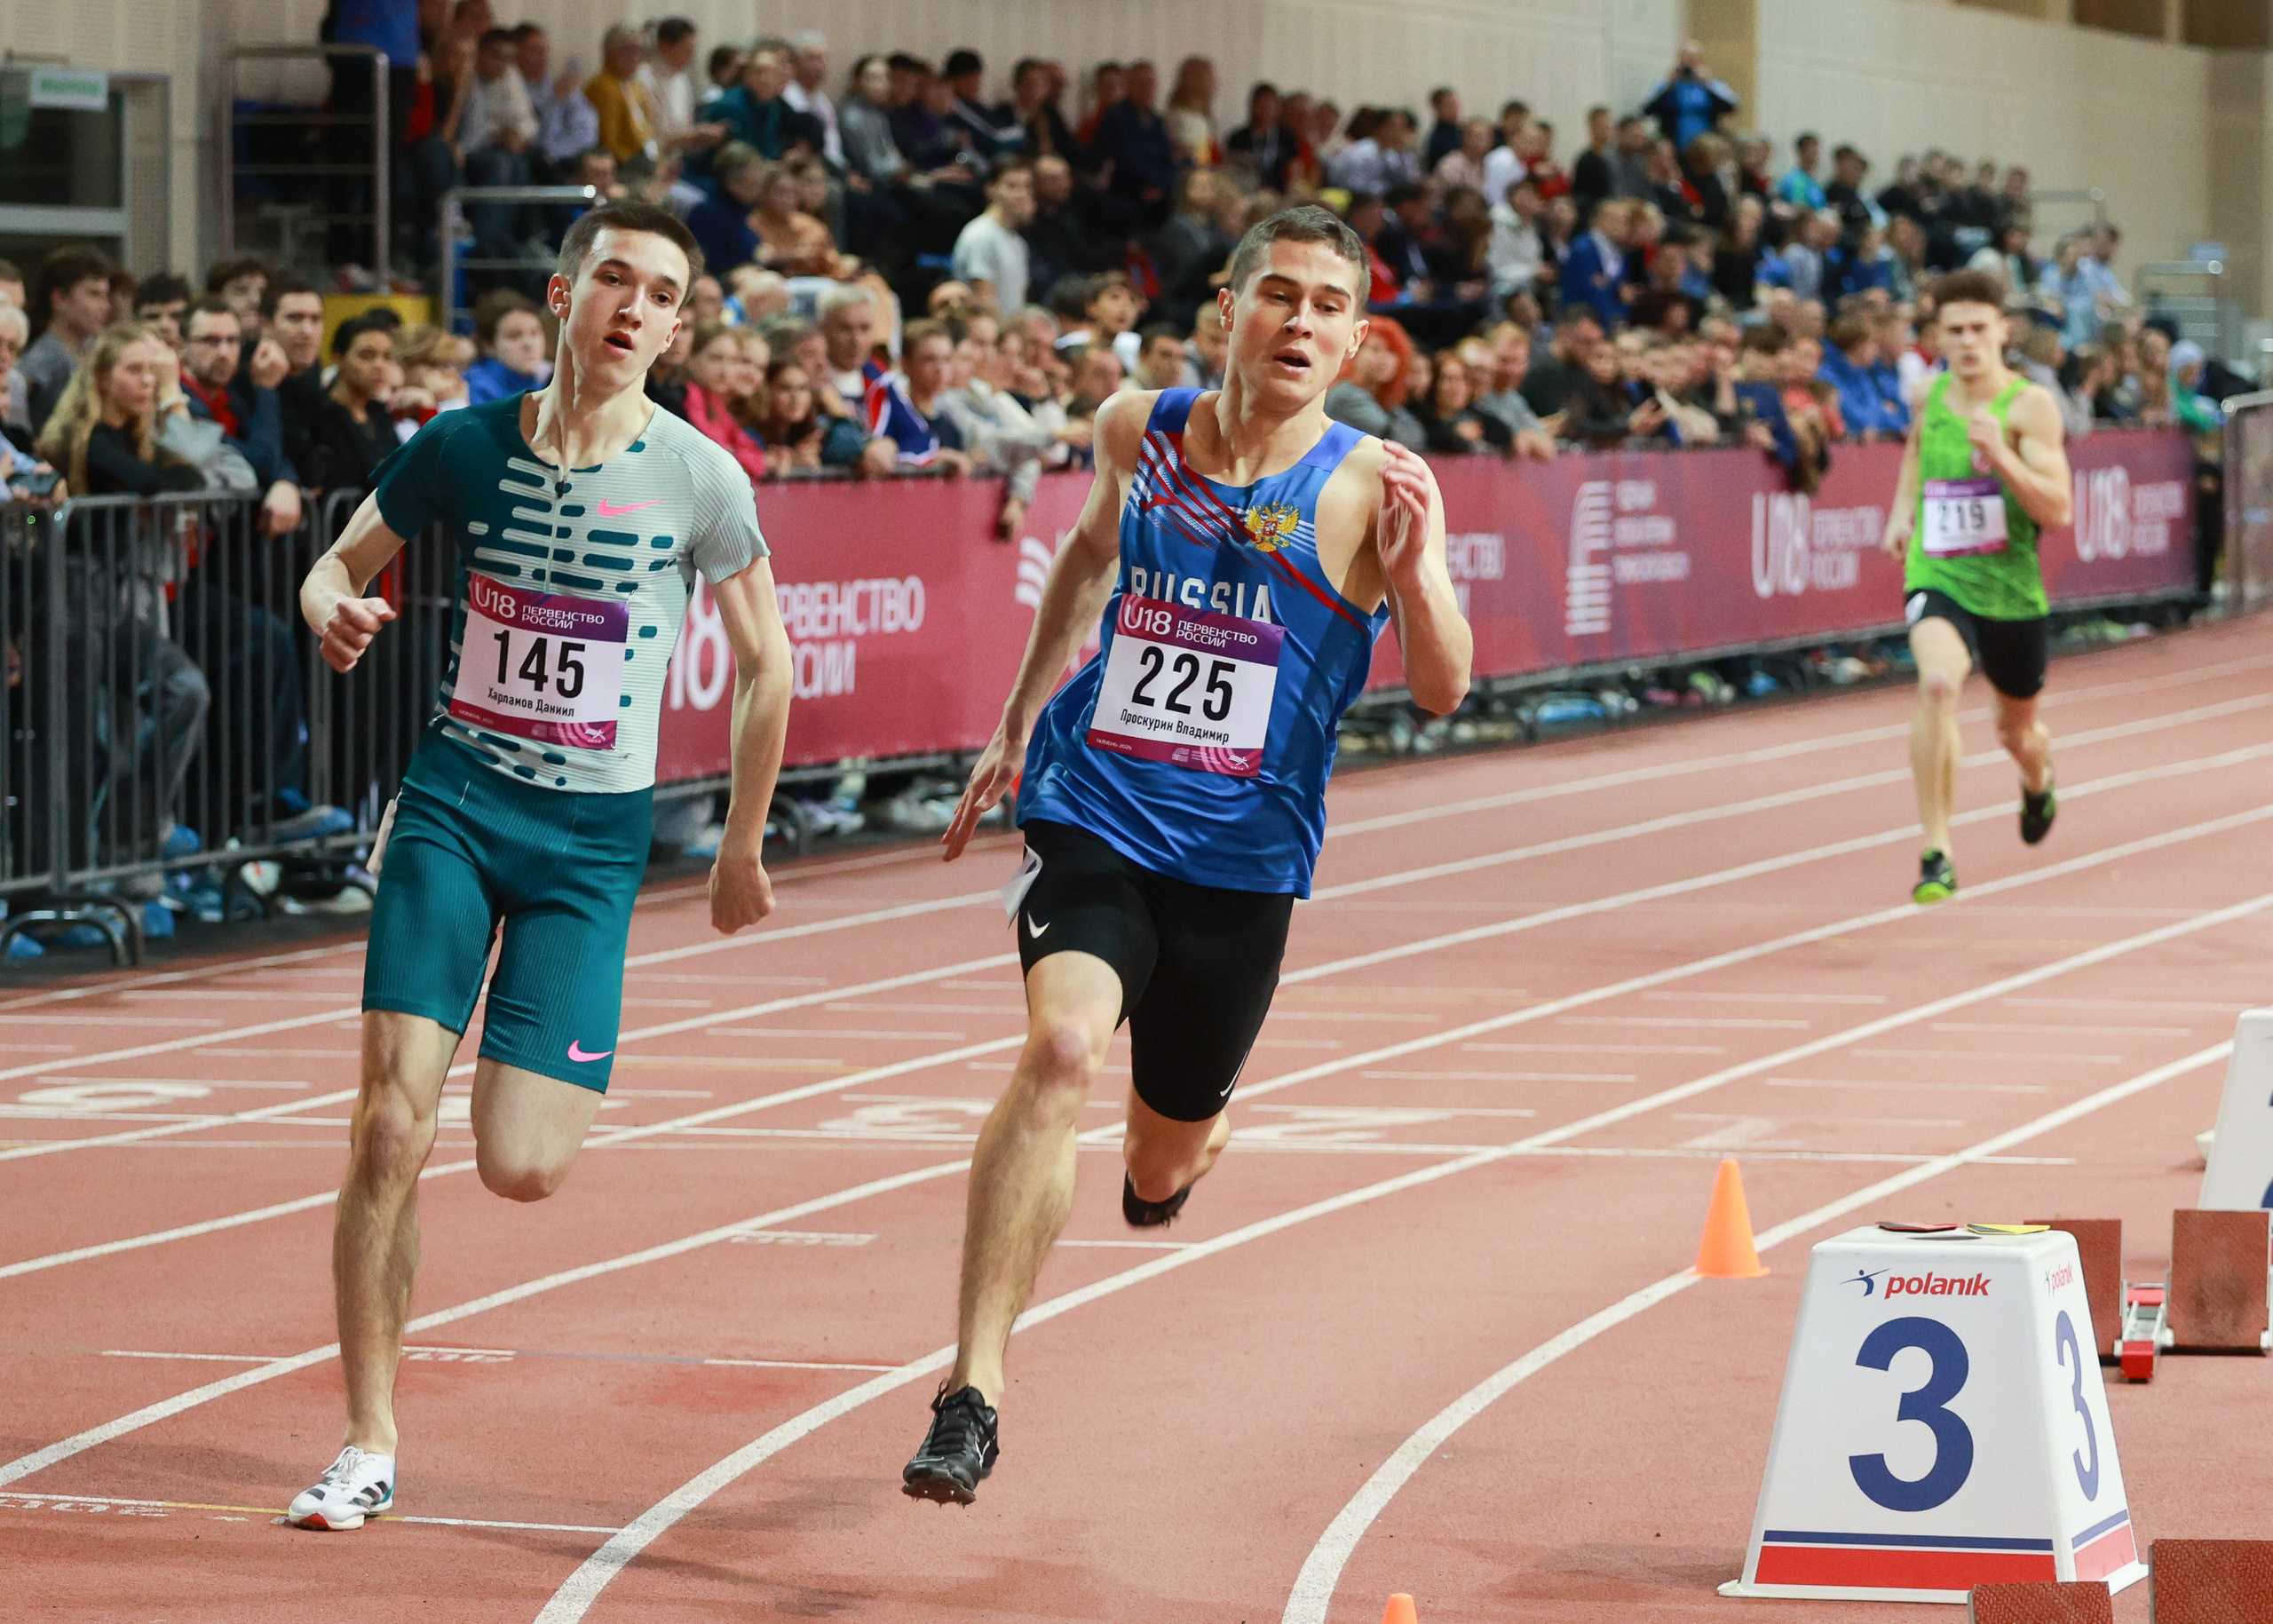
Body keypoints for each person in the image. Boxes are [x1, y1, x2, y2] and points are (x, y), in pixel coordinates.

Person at [899, 206, 1471, 1503]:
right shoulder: (1135, 428)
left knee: (1160, 1155)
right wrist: (1014, 719)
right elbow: (1086, 562)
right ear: (1227, 310)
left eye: (1331, 305)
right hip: (1093, 807)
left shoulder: (1371, 481)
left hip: (1243, 865)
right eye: (1280, 295)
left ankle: (1181, 1159)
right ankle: (971, 1392)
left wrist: (1423, 571)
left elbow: (1443, 686)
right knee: (1058, 1048)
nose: (1302, 323)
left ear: (1357, 339)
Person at [284, 201, 795, 1532]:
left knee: (519, 1164)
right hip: (454, 802)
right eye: (613, 280)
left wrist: (739, 843)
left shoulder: (702, 479)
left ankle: (507, 1057)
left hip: (588, 843)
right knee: (389, 1123)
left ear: (678, 327)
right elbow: (339, 560)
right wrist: (330, 607)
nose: (634, 307)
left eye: (662, 293)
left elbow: (766, 664)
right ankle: (368, 1438)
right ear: (564, 295)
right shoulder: (461, 445)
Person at [1878, 270, 2071, 906]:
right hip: (1940, 571)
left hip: (2012, 589)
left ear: (2002, 332)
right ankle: (1938, 852)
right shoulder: (1929, 395)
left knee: (2018, 733)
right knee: (1937, 683)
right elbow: (1913, 454)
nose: (1967, 342)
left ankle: (2038, 777)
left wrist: (2006, 456)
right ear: (1937, 336)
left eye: (1978, 330)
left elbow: (2058, 510)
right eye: (1954, 331)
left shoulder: (2029, 406)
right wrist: (1902, 510)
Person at [22, 245, 114, 433]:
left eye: (106, 295)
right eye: (94, 294)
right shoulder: (41, 359)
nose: (105, 306)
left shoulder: (94, 350)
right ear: (60, 300)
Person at [952, 157, 1036, 320]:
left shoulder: (1018, 242)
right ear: (991, 189)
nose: (1022, 194)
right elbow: (983, 301)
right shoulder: (981, 235)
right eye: (1012, 186)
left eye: (1027, 186)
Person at [1641, 41, 1737, 152]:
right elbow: (1646, 109)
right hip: (1674, 145)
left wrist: (1707, 84)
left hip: (1705, 147)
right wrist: (1670, 84)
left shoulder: (1712, 85)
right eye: (1685, 59)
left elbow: (1731, 107)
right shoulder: (1667, 85)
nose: (1689, 64)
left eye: (1693, 59)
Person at [463, 290, 548, 403]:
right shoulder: (476, 388)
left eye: (535, 333)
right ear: (488, 344)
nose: (529, 344)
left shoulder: (538, 384)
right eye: (514, 336)